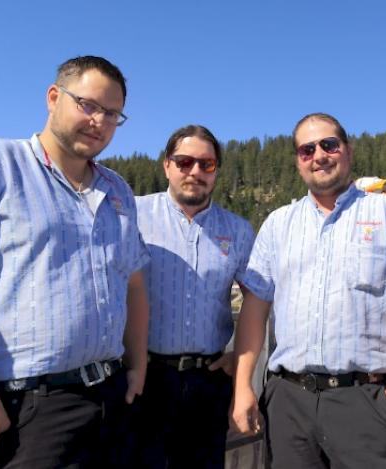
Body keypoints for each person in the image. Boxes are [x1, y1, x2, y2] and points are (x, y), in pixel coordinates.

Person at [0, 56, 149, 468]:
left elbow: (135, 282)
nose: (99, 121)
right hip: (24, 407)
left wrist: (137, 367)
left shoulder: (118, 190)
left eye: (111, 114)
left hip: (109, 398)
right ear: (54, 97)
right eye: (88, 105)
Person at [231, 113, 386, 468]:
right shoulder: (278, 224)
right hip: (289, 402)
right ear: (298, 162)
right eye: (307, 150)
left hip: (367, 400)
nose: (319, 155)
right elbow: (255, 308)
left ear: (348, 151)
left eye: (329, 145)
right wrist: (244, 385)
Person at [135, 125, 255, 468]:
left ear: (217, 170)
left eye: (207, 164)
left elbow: (256, 300)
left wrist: (239, 357)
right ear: (167, 166)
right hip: (145, 377)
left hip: (209, 380)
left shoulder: (238, 230)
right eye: (184, 162)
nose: (195, 172)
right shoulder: (134, 215)